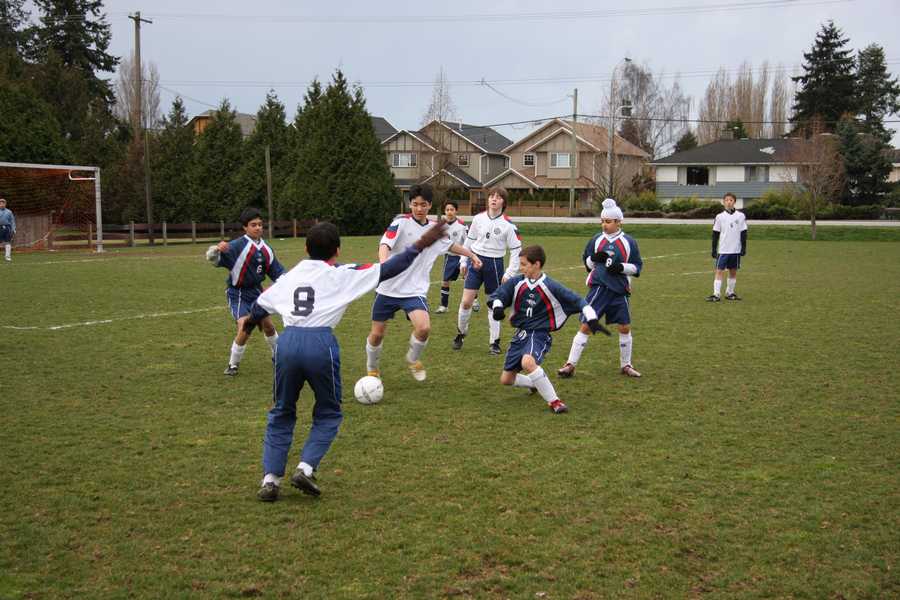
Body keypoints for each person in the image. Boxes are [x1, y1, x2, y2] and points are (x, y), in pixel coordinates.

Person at [245, 220, 448, 501]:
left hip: (288, 343)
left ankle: (270, 480)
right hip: (320, 344)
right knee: (328, 412)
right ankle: (305, 468)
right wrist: (422, 243)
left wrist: (247, 326)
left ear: (305, 248)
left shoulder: (290, 276)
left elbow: (258, 307)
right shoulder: (342, 274)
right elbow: (391, 267)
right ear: (337, 251)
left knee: (282, 411)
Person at [365, 184, 482, 382]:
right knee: (377, 334)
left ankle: (413, 358)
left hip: (414, 291)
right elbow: (385, 244)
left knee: (424, 328)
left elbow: (451, 246)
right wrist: (384, 265)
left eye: (423, 204)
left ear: (430, 205)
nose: (419, 208)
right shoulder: (400, 223)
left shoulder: (434, 229)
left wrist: (472, 255)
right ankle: (372, 368)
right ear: (410, 204)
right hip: (388, 288)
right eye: (415, 204)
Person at [490, 245, 608, 414]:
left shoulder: (551, 286)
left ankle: (555, 402)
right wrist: (497, 307)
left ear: (536, 264)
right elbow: (499, 295)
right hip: (520, 334)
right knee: (506, 380)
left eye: (524, 264)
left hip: (539, 333)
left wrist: (592, 318)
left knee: (527, 362)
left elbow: (578, 301)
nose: (520, 268)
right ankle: (534, 383)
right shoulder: (517, 282)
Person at [558, 198, 644, 379]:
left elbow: (637, 267)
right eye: (602, 221)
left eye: (608, 221)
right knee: (586, 326)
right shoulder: (596, 240)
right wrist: (593, 259)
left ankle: (626, 365)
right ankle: (570, 364)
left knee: (624, 327)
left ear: (618, 222)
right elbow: (588, 263)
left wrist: (621, 268)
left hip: (619, 290)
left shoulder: (628, 242)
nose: (604, 225)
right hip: (599, 289)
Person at [205, 207, 285, 376]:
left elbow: (277, 272)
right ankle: (233, 365)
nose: (258, 228)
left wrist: (289, 280)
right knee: (245, 325)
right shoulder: (235, 246)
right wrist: (215, 250)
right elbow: (214, 260)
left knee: (268, 326)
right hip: (238, 293)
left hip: (257, 292)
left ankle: (278, 355)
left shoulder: (267, 249)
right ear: (245, 227)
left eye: (260, 224)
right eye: (253, 225)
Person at [453, 186, 522, 355]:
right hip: (475, 261)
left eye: (498, 197)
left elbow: (516, 251)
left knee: (493, 304)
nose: (494, 199)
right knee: (466, 302)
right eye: (491, 196)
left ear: (503, 202)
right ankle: (461, 333)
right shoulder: (478, 219)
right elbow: (469, 241)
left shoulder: (509, 225)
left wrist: (509, 273)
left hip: (495, 265)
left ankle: (494, 342)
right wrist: (463, 260)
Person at [435, 200, 477, 314]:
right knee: (445, 281)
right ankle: (444, 306)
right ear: (444, 211)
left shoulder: (462, 226)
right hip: (449, 257)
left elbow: (469, 241)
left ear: (456, 211)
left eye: (452, 210)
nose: (449, 212)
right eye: (447, 210)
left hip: (463, 256)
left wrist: (469, 255)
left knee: (468, 278)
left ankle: (474, 300)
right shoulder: (441, 226)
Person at [706, 192, 748, 302]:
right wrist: (714, 249)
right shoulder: (719, 217)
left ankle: (730, 293)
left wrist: (743, 247)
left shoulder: (741, 216)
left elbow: (743, 232)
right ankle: (716, 294)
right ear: (723, 202)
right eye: (726, 200)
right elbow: (715, 234)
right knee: (719, 271)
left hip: (735, 250)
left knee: (733, 271)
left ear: (734, 202)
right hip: (723, 250)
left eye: (731, 200)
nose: (729, 202)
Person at [0, 197, 15, 262]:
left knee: (7, 242)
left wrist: (13, 229)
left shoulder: (9, 212)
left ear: (5, 204)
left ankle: (7, 257)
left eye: (3, 203)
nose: (2, 205)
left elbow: (12, 221)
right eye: (0, 203)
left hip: (7, 228)